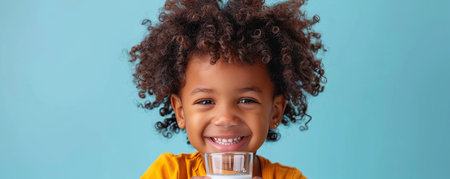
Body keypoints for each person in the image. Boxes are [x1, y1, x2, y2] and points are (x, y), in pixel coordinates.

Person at [129, 0, 326, 178]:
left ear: (275, 112)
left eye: (246, 100)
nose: (226, 118)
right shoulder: (168, 173)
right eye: (206, 101)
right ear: (180, 112)